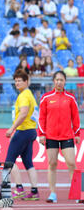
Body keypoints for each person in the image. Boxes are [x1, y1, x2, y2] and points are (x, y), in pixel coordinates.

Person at [38, 71, 81, 203]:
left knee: (71, 163)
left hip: (67, 136)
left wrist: (77, 133)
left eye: (61, 80)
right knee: (52, 164)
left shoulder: (70, 98)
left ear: (65, 82)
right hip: (50, 136)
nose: (59, 82)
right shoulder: (46, 97)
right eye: (57, 80)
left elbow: (75, 117)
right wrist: (41, 134)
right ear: (53, 81)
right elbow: (42, 117)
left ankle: (77, 193)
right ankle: (52, 193)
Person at [4, 69, 40, 200]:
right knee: (28, 162)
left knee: (9, 161)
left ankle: (19, 189)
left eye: (20, 81)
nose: (17, 83)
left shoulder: (24, 95)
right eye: (16, 81)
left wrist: (12, 129)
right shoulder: (29, 94)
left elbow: (24, 113)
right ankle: (34, 191)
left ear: (26, 81)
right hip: (31, 131)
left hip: (24, 130)